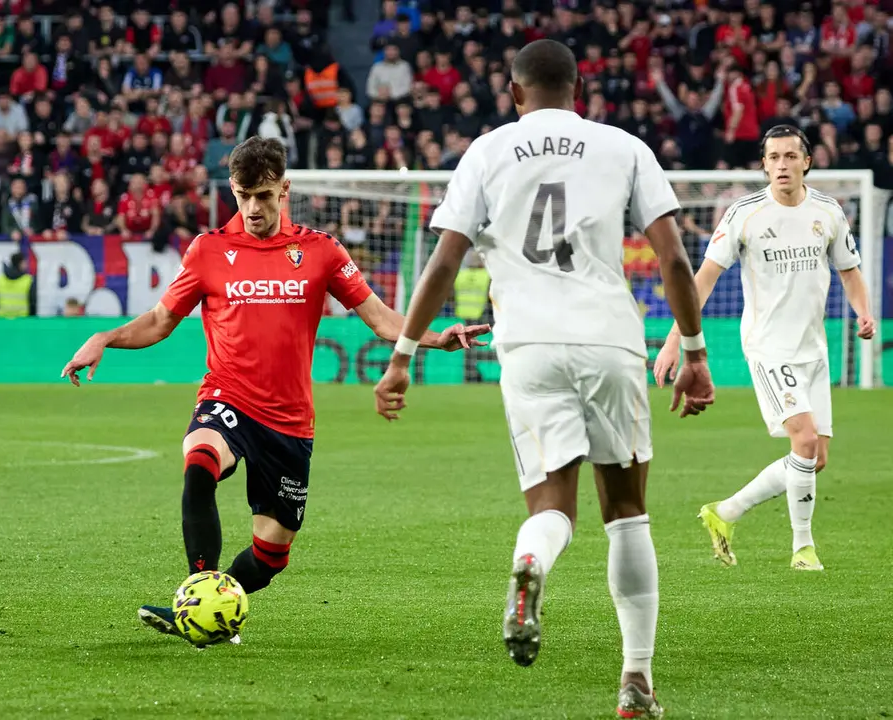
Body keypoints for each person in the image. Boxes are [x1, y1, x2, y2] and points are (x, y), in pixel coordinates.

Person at [371, 41, 715, 718]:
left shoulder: (488, 151)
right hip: (610, 340)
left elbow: (444, 263)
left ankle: (532, 567)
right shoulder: (623, 147)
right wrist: (696, 351)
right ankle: (637, 682)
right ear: (578, 87)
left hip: (526, 345)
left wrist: (404, 354)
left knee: (551, 506)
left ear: (513, 91)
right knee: (627, 513)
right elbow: (674, 258)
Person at [60, 137, 488, 643]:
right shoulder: (209, 250)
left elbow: (379, 318)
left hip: (289, 421)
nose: (252, 208)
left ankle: (213, 607)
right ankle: (198, 595)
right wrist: (104, 337)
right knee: (199, 461)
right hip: (227, 398)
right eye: (242, 196)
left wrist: (435, 338)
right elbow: (159, 321)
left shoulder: (321, 251)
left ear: (284, 189)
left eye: (263, 195)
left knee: (271, 555)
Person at [654, 125, 874, 572]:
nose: (782, 165)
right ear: (764, 164)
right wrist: (675, 339)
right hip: (768, 346)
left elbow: (850, 271)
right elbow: (704, 279)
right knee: (806, 440)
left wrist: (863, 311)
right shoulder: (744, 214)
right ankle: (803, 548)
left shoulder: (828, 211)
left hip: (813, 346)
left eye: (791, 156)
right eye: (773, 157)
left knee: (816, 458)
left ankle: (726, 512)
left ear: (807, 162)